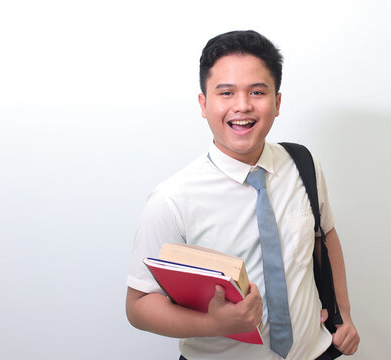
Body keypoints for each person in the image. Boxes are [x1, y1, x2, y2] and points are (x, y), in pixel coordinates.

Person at [125, 30, 359, 360]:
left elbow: (325, 237)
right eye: (226, 93)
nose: (243, 106)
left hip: (314, 353)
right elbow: (138, 307)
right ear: (204, 104)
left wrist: (343, 316)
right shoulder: (172, 199)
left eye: (257, 92)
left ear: (277, 102)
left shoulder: (304, 164)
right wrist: (213, 322)